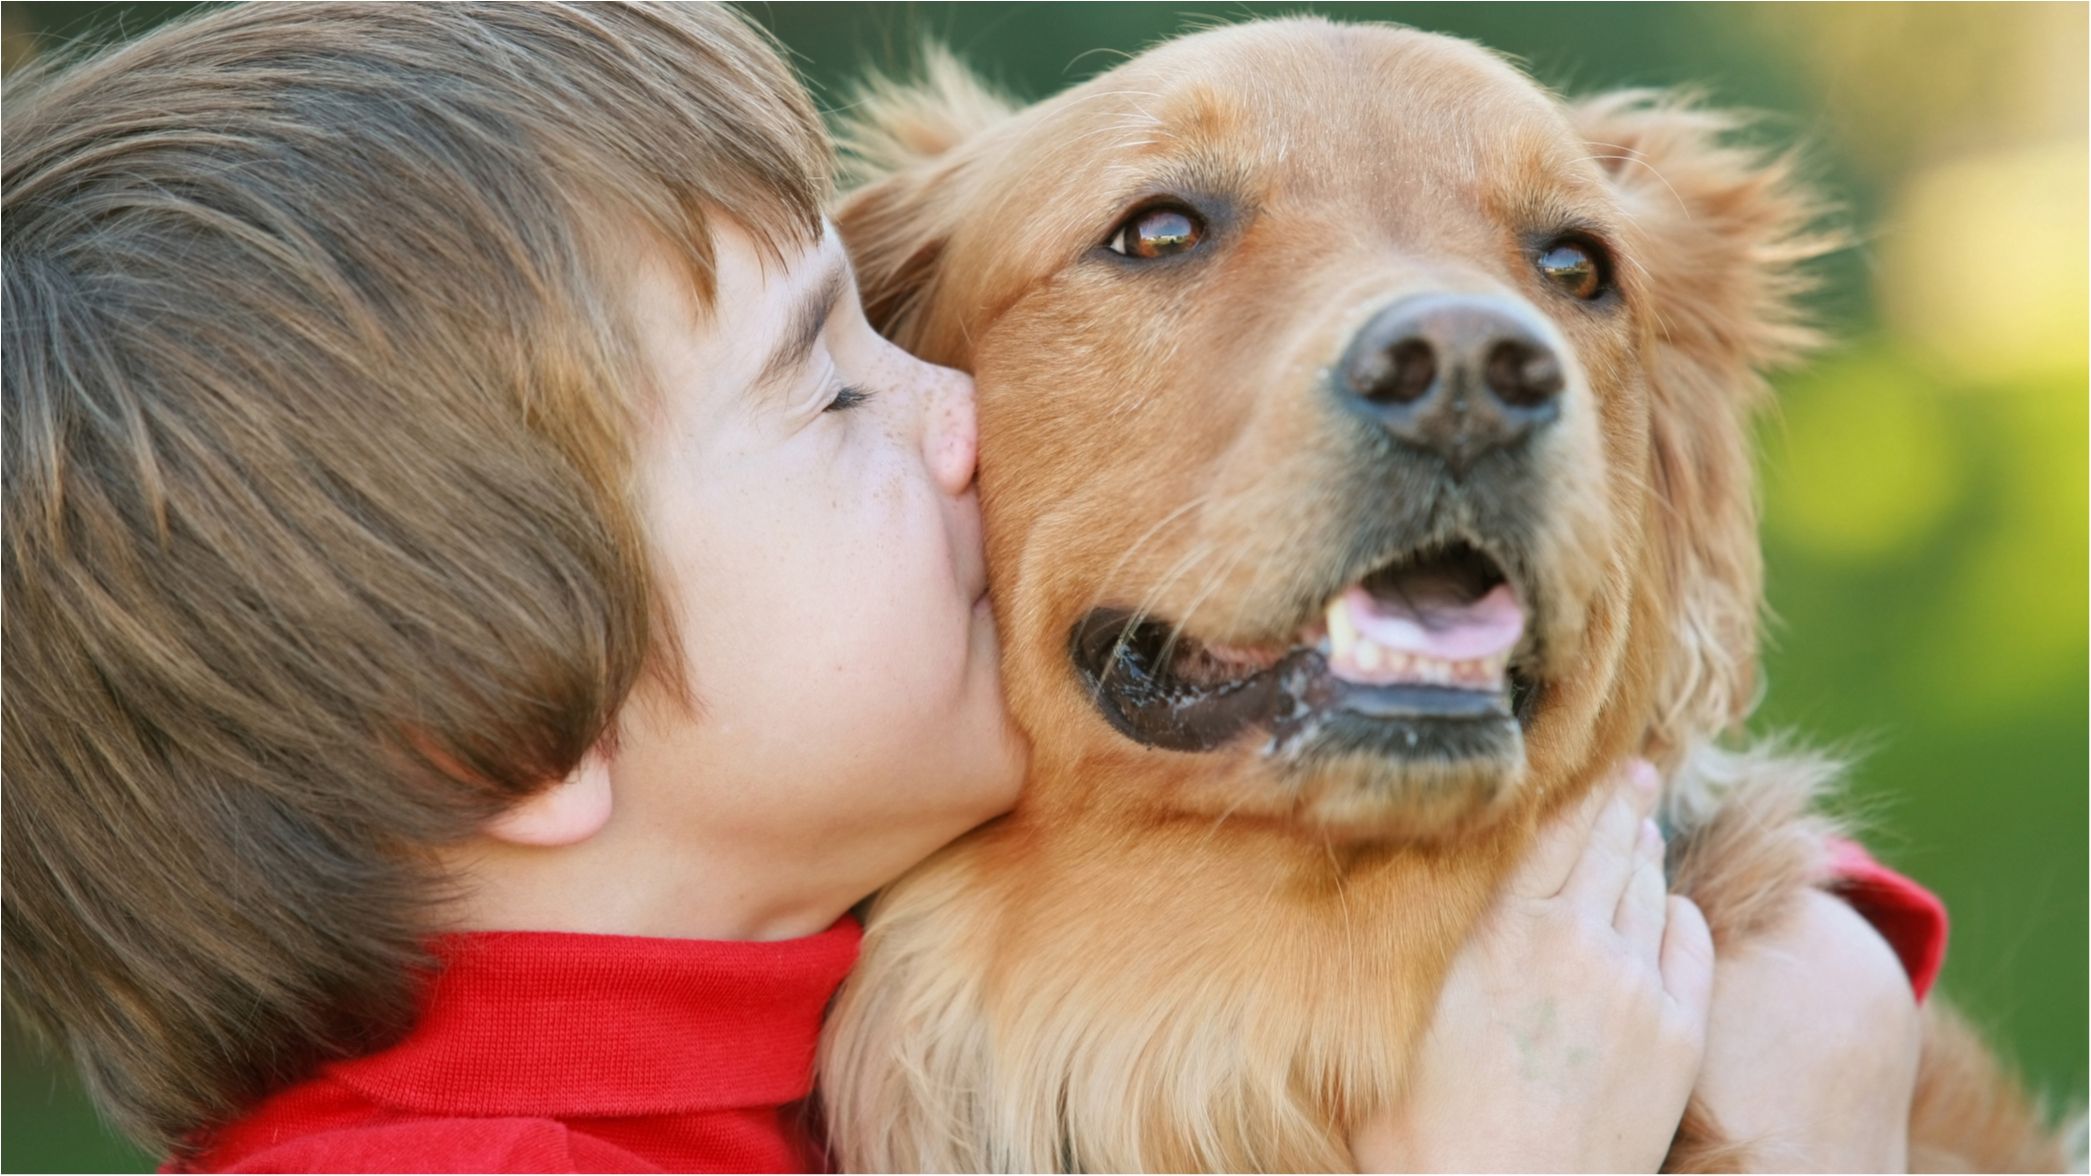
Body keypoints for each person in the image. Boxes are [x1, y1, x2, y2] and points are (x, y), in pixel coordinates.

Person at [0, 4, 1934, 1171]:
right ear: (507, 711)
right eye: (835, 379)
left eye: (1566, 280)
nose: (967, 424)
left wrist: (1809, 960)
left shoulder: (766, 1014)